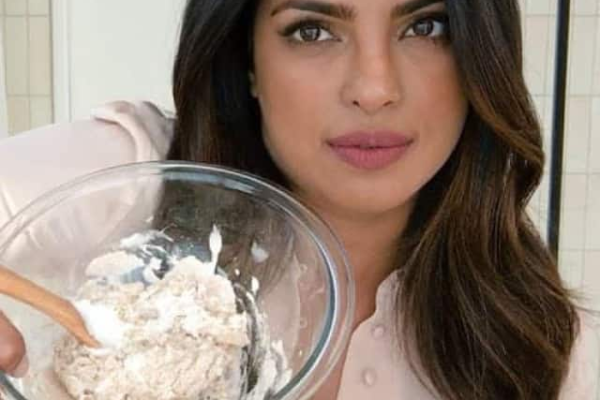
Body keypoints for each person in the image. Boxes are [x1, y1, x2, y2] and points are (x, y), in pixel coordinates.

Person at [0, 0, 598, 399]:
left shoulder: (547, 353)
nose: (374, 89)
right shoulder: (135, 178)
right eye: (312, 30)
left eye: (425, 26)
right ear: (248, 62)